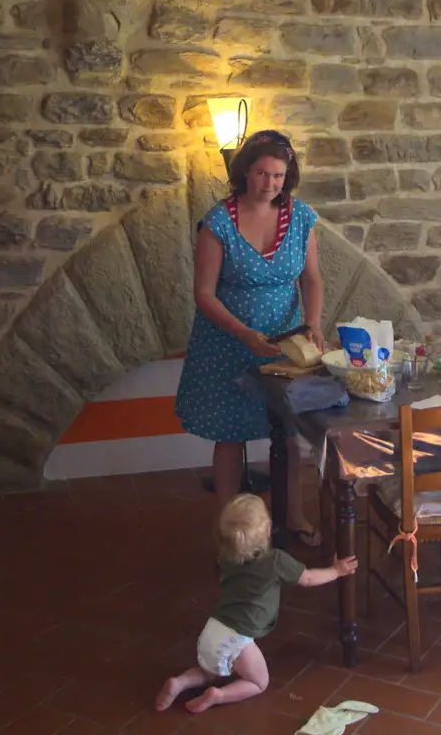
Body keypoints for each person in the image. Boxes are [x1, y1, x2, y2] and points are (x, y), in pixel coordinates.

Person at [174, 129, 325, 544]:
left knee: (289, 431)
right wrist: (244, 334)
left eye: (278, 176)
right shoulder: (219, 222)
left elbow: (312, 279)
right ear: (245, 173)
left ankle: (293, 515)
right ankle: (230, 530)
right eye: (261, 174)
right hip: (227, 342)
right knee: (230, 434)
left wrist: (313, 324)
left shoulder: (301, 217)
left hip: (286, 340)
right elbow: (203, 294)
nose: (269, 183)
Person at [155, 494, 356, 714]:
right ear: (268, 530)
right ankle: (217, 696)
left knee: (208, 671)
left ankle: (180, 683)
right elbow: (307, 578)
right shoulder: (275, 561)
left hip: (213, 630)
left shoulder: (227, 558)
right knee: (259, 682)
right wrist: (337, 571)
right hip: (237, 639)